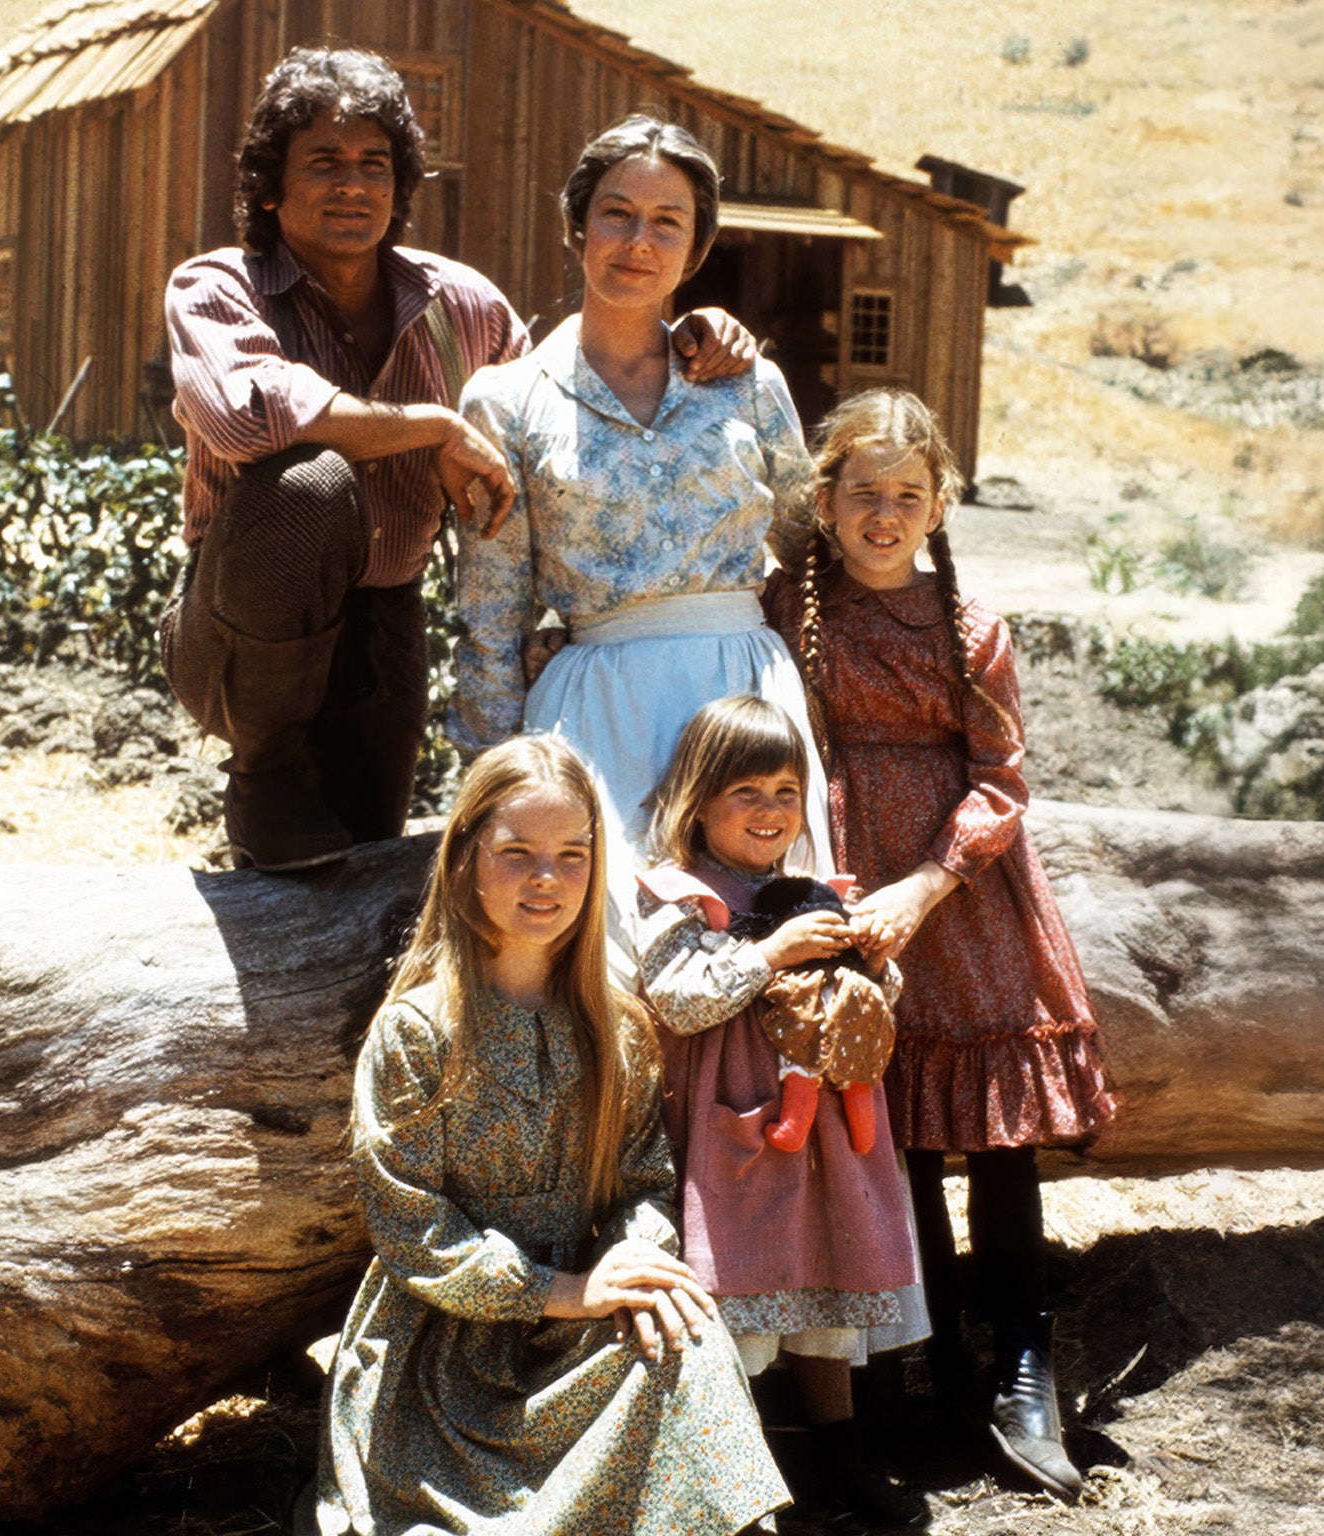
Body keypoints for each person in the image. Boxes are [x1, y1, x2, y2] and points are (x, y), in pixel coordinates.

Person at [162, 54, 757, 871]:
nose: (352, 185)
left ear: (401, 186)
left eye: (375, 164)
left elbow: (551, 406)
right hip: (234, 627)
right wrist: (432, 428)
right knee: (309, 483)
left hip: (386, 621)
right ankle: (263, 772)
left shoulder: (459, 305)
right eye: (323, 163)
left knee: (361, 865)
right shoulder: (218, 288)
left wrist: (688, 329)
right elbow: (247, 415)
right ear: (271, 184)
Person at [762, 387, 1118, 1501]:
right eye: (861, 492)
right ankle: (921, 1365)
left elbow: (1001, 778)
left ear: (938, 505)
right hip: (844, 876)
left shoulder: (968, 628)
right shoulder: (783, 609)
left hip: (962, 894)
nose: (882, 514)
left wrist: (928, 882)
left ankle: (1020, 1364)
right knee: (894, 1131)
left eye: (905, 496)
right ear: (821, 500)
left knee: (994, 1142)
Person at [312, 735, 786, 1536]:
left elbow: (644, 1177)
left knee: (690, 1341)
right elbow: (413, 1231)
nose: (547, 878)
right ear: (466, 859)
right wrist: (559, 1294)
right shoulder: (418, 1032)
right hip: (446, 1352)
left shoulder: (616, 1026)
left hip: (582, 1312)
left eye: (572, 855)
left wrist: (630, 1255)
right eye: (517, 853)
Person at [452, 115, 823, 895]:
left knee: (766, 946)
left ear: (697, 247)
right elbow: (491, 615)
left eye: (667, 222)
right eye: (616, 213)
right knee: (611, 950)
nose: (637, 242)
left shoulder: (750, 386)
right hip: (597, 709)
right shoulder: (508, 401)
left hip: (746, 705)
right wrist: (494, 788)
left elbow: (814, 554)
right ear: (576, 224)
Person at [630, 696, 927, 1527]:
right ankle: (746, 1478)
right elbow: (677, 1002)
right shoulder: (678, 899)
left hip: (825, 1125)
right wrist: (767, 954)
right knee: (748, 1288)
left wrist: (869, 962)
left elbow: (870, 1002)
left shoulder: (810, 890)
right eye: (746, 794)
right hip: (737, 1125)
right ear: (696, 801)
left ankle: (840, 1462)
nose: (770, 813)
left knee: (823, 1278)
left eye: (785, 793)